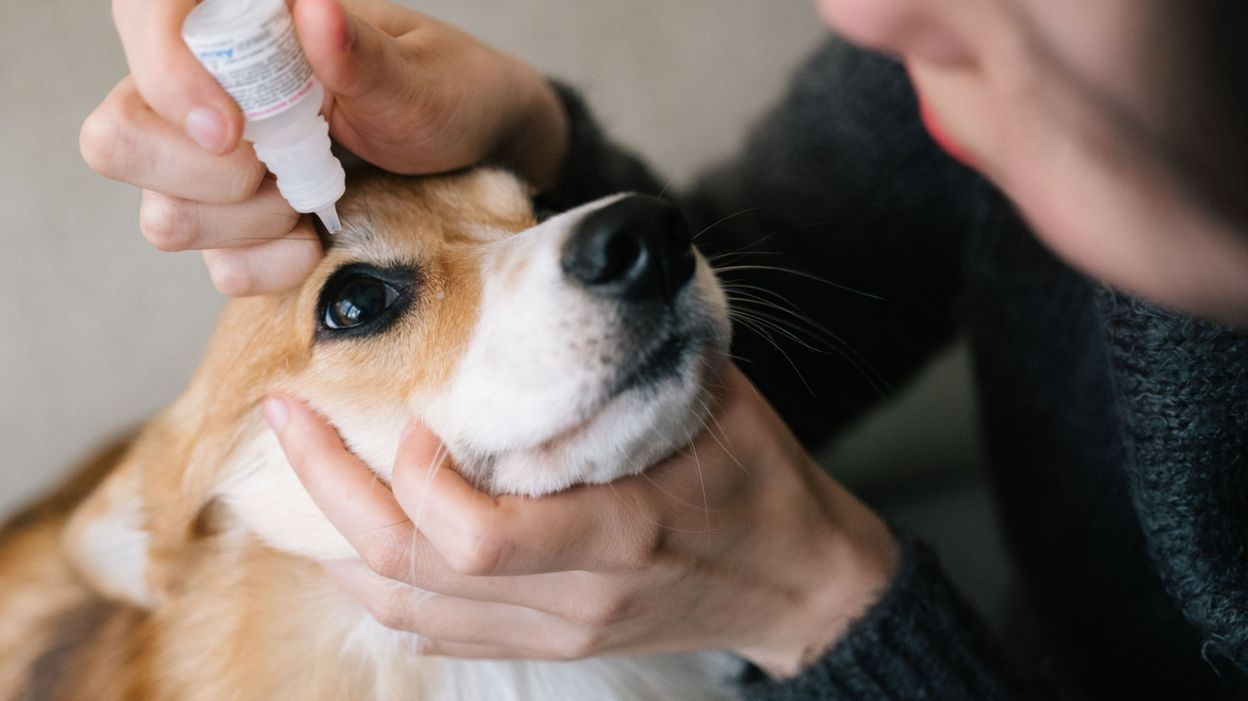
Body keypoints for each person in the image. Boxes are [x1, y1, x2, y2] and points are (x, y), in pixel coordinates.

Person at [80, 0, 1248, 697]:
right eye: (363, 304)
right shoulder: (975, 67)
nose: (861, 15)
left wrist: (822, 603)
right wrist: (523, 130)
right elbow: (819, 265)